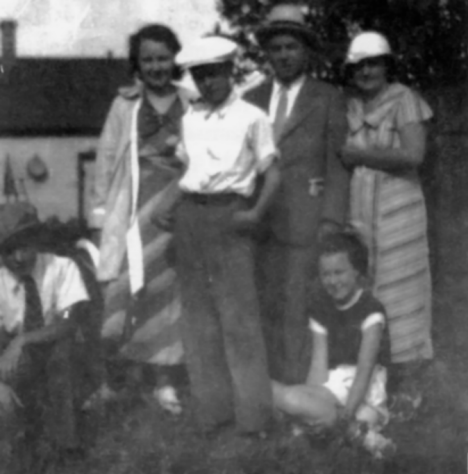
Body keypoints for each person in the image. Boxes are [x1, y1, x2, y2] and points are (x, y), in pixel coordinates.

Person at [174, 36, 280, 435]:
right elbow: (185, 172)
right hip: (192, 217)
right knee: (199, 319)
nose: (208, 84)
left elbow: (273, 175)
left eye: (215, 74)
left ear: (229, 72)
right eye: (200, 77)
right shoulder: (190, 119)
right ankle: (213, 412)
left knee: (239, 320)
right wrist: (174, 212)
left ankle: (254, 418)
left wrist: (254, 213)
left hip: (231, 215)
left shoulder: (252, 116)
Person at [90, 24, 195, 413]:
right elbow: (105, 160)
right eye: (148, 59)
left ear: (175, 59)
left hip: (176, 206)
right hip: (132, 207)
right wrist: (100, 215)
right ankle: (118, 379)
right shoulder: (125, 105)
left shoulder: (192, 101)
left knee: (170, 293)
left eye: (163, 58)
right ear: (137, 63)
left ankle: (165, 381)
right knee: (123, 291)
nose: (156, 66)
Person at [244, 4, 350, 385]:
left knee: (299, 307)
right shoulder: (251, 99)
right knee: (264, 305)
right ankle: (270, 390)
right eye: (276, 48)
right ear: (267, 53)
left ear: (306, 50)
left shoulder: (327, 97)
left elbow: (337, 165)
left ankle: (300, 388)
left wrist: (331, 220)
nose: (284, 55)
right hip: (260, 222)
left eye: (292, 47)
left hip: (307, 221)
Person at [340, 32, 434, 385]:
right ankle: (371, 377)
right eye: (359, 65)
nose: (366, 71)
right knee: (365, 287)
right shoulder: (349, 105)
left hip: (397, 209)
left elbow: (414, 154)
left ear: (386, 65)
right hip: (360, 208)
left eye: (373, 63)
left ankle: (410, 382)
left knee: (401, 290)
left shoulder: (404, 99)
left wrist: (361, 156)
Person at [272, 232, 393, 457]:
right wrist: (310, 397)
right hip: (334, 386)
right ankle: (349, 431)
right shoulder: (321, 309)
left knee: (288, 400)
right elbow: (319, 367)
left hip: (363, 392)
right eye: (326, 274)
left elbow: (364, 372)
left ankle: (345, 426)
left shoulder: (371, 311)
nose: (333, 281)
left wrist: (344, 415)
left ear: (357, 271)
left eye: (339, 272)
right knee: (269, 389)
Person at [0, 202, 90, 469]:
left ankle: (66, 446)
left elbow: (68, 321)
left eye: (24, 247)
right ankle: (20, 441)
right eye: (8, 250)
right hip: (14, 353)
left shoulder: (61, 268)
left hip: (54, 345)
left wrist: (24, 339)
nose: (18, 258)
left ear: (36, 242)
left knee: (61, 355)